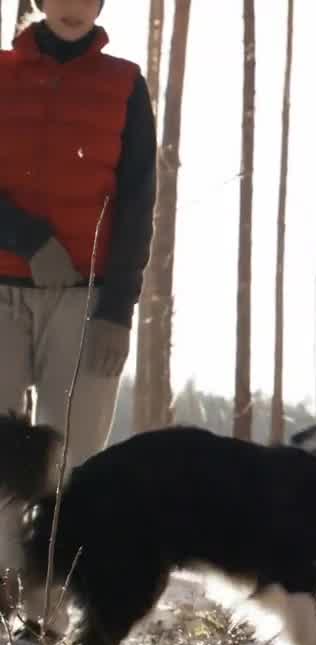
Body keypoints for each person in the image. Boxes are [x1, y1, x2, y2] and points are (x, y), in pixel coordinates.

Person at [0, 0, 156, 471]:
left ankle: (59, 550)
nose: (74, 7)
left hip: (85, 304)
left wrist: (117, 311)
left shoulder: (125, 84)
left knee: (76, 471)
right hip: (1, 295)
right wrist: (29, 240)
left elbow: (136, 203)